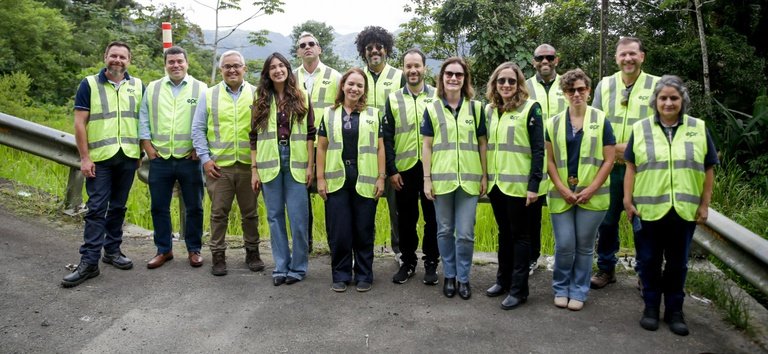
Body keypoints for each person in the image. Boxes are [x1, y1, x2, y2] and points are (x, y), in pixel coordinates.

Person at [624, 75, 718, 336]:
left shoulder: (698, 128)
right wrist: (627, 200)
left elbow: (708, 168)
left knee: (678, 264)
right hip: (648, 210)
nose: (668, 103)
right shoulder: (641, 128)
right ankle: (651, 307)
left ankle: (675, 311)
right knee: (648, 261)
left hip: (683, 212)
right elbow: (631, 167)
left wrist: (705, 204)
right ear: (655, 101)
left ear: (682, 101)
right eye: (663, 98)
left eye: (673, 98)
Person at [62, 41, 143, 288]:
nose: (118, 60)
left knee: (118, 207)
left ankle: (112, 251)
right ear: (105, 56)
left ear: (129, 60)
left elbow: (143, 121)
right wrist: (85, 158)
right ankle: (89, 262)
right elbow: (79, 123)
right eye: (113, 56)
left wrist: (140, 152)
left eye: (123, 57)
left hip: (128, 156)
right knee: (97, 209)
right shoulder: (89, 84)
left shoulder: (138, 85)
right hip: (100, 159)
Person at [591, 37, 660, 289]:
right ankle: (606, 269)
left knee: (642, 223)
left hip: (642, 169)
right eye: (623, 55)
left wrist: (630, 150)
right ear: (616, 58)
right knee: (606, 222)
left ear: (642, 56)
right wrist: (610, 150)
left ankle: (645, 273)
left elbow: (663, 127)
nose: (628, 59)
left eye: (633, 54)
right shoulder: (605, 85)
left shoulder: (656, 85)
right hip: (609, 168)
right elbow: (594, 123)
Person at [546, 69, 615, 311]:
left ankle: (579, 290)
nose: (576, 94)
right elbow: (550, 161)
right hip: (561, 194)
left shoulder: (601, 119)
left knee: (585, 246)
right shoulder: (552, 123)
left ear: (588, 91)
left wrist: (591, 189)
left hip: (592, 196)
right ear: (564, 93)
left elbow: (609, 160)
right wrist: (563, 188)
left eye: (581, 89)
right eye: (570, 90)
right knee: (564, 244)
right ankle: (561, 287)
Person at [192, 50, 264, 276]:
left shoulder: (257, 94)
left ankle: (252, 252)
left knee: (250, 214)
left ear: (245, 69)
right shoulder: (209, 94)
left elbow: (264, 130)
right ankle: (218, 255)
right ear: (221, 69)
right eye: (227, 66)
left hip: (248, 166)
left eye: (236, 66)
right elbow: (198, 129)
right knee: (218, 213)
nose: (232, 70)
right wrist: (205, 159)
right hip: (219, 167)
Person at [422, 57, 487, 300]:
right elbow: (426, 146)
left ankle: (464, 278)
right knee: (445, 230)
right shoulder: (432, 108)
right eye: (449, 74)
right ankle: (449, 275)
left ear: (464, 79)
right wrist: (427, 178)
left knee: (466, 233)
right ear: (442, 78)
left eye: (458, 75)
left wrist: (484, 175)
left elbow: (482, 144)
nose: (453, 78)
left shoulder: (476, 108)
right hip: (442, 181)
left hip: (469, 181)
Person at [316, 68, 386, 293]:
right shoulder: (329, 114)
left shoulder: (373, 115)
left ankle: (365, 274)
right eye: (351, 84)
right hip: (337, 181)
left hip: (365, 180)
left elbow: (381, 148)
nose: (354, 89)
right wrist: (320, 179)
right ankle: (341, 274)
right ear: (343, 86)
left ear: (364, 90)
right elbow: (322, 148)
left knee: (364, 230)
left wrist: (381, 177)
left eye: (360, 85)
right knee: (340, 232)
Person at [484, 62, 545, 310]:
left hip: (521, 187)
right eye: (501, 81)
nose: (506, 85)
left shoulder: (531, 108)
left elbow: (540, 149)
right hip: (498, 185)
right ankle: (503, 281)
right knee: (504, 234)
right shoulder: (489, 110)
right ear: (495, 84)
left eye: (511, 81)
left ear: (519, 83)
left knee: (521, 238)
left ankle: (519, 290)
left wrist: (534, 185)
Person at [250, 52, 315, 286]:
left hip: (295, 162)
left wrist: (310, 165)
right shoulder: (260, 97)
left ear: (288, 69)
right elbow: (253, 136)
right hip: (269, 164)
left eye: (282, 66)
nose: (278, 70)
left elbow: (310, 134)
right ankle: (281, 266)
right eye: (273, 67)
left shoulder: (302, 96)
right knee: (275, 217)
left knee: (298, 219)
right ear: (267, 73)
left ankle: (298, 268)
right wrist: (254, 170)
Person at [139, 46, 206, 269]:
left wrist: (199, 148)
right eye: (171, 62)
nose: (176, 65)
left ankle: (194, 249)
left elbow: (207, 122)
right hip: (160, 158)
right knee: (159, 206)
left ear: (187, 63)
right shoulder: (153, 88)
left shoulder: (201, 88)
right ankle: (163, 250)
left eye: (180, 61)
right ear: (165, 64)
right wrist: (148, 148)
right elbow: (144, 119)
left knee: (194, 206)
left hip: (190, 159)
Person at [382, 48, 439, 285]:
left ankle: (431, 262)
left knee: (432, 218)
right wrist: (392, 169)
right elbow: (387, 137)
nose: (413, 70)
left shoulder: (437, 96)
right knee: (405, 218)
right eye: (408, 66)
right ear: (403, 69)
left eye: (417, 66)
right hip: (404, 170)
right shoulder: (393, 98)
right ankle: (407, 261)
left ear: (425, 68)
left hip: (432, 169)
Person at [355, 26, 406, 263]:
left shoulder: (399, 76)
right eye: (369, 48)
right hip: (365, 150)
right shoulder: (357, 77)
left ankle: (400, 251)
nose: (374, 51)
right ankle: (365, 252)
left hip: (394, 148)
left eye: (379, 47)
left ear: (387, 49)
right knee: (365, 205)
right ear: (363, 52)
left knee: (397, 207)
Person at [294, 32, 342, 252]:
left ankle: (335, 246)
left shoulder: (335, 76)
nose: (307, 47)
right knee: (301, 200)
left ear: (319, 49)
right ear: (298, 52)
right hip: (300, 147)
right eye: (302, 45)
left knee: (330, 197)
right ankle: (306, 246)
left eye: (311, 44)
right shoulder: (291, 77)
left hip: (327, 147)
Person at [525, 44, 566, 275]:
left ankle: (562, 260)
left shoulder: (566, 85)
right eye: (540, 58)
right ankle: (532, 258)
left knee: (564, 214)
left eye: (549, 57)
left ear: (556, 60)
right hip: (534, 159)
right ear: (534, 62)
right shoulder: (526, 86)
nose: (545, 62)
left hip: (563, 161)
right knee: (532, 216)